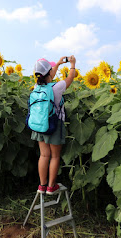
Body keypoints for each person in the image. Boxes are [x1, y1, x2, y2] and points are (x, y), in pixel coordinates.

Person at [31, 56, 76, 195]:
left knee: (44, 155)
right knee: (55, 156)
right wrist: (72, 65)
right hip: (54, 126)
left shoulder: (37, 87)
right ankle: (51, 186)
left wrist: (56, 64)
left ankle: (42, 185)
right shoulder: (57, 87)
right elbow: (70, 78)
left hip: (39, 125)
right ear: (50, 73)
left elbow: (48, 75)